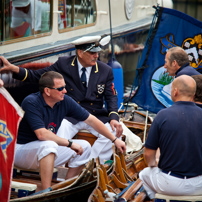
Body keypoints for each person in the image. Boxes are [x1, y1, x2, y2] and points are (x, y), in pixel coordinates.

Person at [0, 35, 127, 164]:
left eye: (97, 52)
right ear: (80, 53)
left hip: (95, 114)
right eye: (92, 53)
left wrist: (113, 117)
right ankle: (54, 166)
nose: (96, 56)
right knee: (58, 136)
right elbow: (37, 76)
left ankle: (92, 164)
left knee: (114, 132)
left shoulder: (106, 71)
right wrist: (14, 69)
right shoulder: (63, 64)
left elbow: (111, 96)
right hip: (70, 116)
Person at [14, 71, 126, 190]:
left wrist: (114, 140)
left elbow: (91, 120)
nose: (65, 91)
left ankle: (68, 186)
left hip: (42, 151)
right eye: (60, 88)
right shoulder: (31, 102)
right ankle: (46, 192)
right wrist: (70, 143)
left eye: (65, 87)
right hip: (20, 151)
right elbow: (42, 134)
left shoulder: (64, 101)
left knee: (85, 146)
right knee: (49, 145)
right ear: (47, 91)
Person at [139, 75, 202, 199]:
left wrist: (154, 164)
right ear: (193, 94)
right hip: (199, 183)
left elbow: (148, 154)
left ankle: (157, 198)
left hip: (170, 184)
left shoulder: (162, 115)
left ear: (175, 91)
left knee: (144, 174)